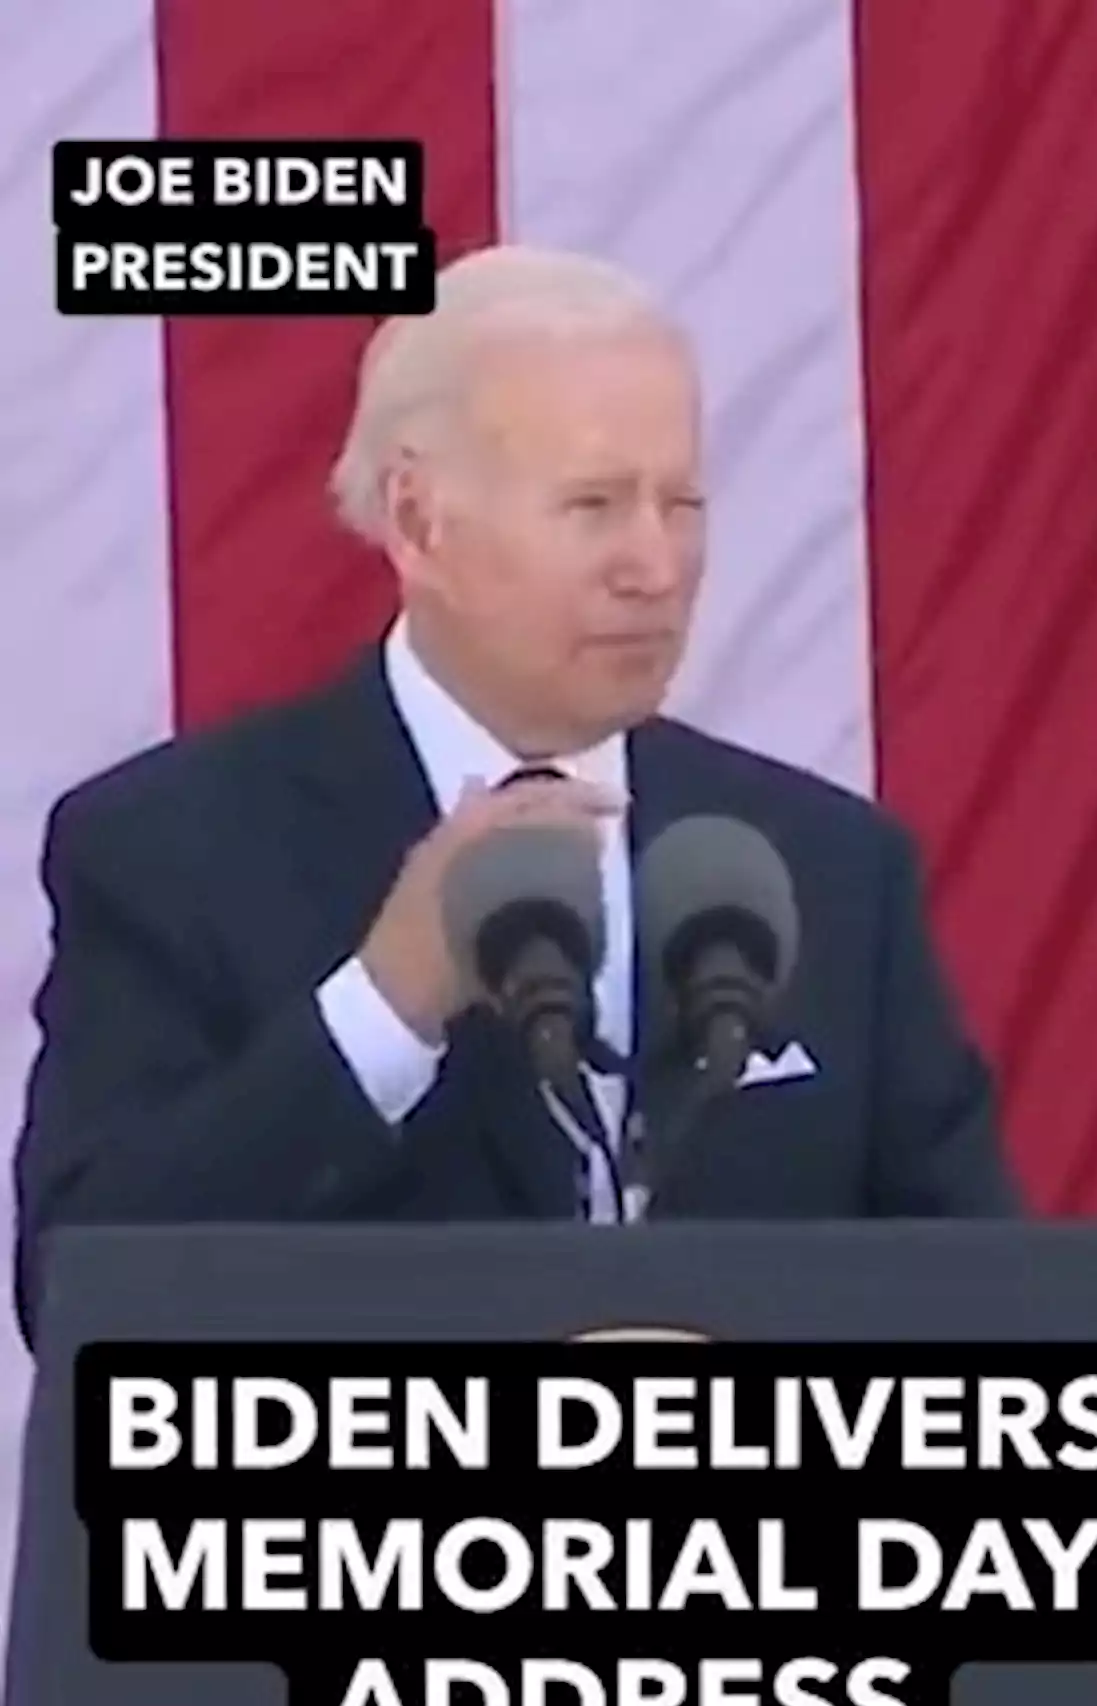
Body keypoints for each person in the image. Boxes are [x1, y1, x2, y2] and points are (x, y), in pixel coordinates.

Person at [11, 243, 1025, 1352]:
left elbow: (972, 1281)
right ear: (419, 522)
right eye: (593, 505)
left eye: (678, 502)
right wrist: (384, 1006)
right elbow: (81, 1288)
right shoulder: (174, 848)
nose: (655, 564)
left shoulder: (825, 864)